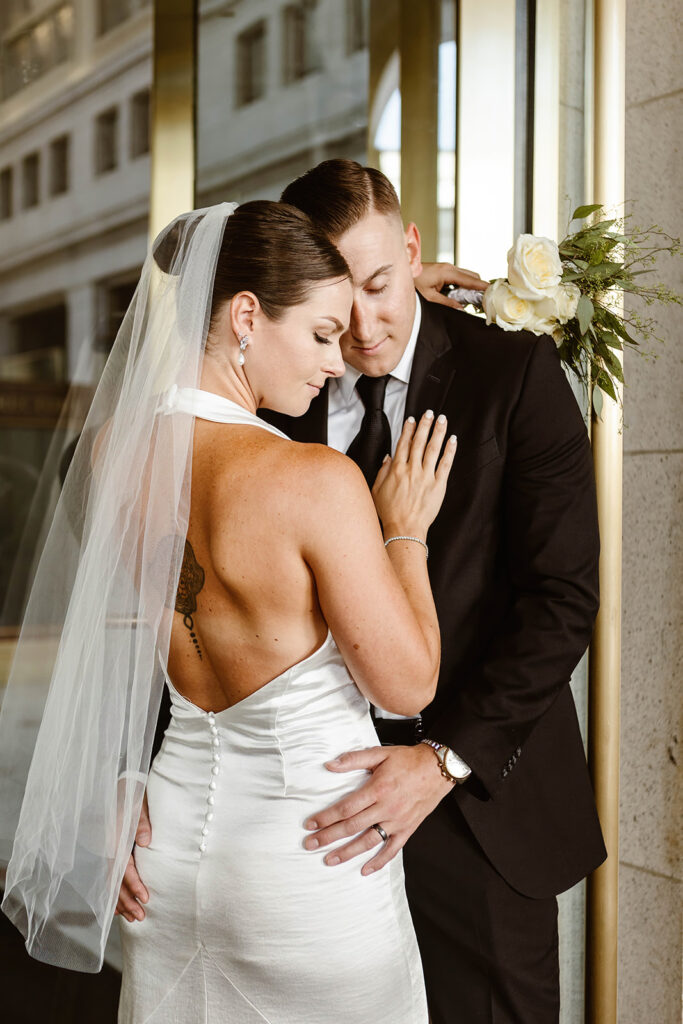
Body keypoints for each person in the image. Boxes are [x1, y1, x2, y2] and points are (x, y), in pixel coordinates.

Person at [0, 200, 460, 1023]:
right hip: (310, 873)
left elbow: (139, 644)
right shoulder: (313, 480)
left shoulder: (108, 454)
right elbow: (407, 688)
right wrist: (405, 536)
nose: (335, 364)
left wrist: (125, 776)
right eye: (322, 334)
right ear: (246, 315)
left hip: (165, 867)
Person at [265, 161, 606, 1023]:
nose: (365, 326)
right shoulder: (274, 398)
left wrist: (441, 760)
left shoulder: (514, 376)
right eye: (340, 300)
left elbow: (561, 599)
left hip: (479, 812)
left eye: (382, 284)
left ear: (412, 248)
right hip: (311, 812)